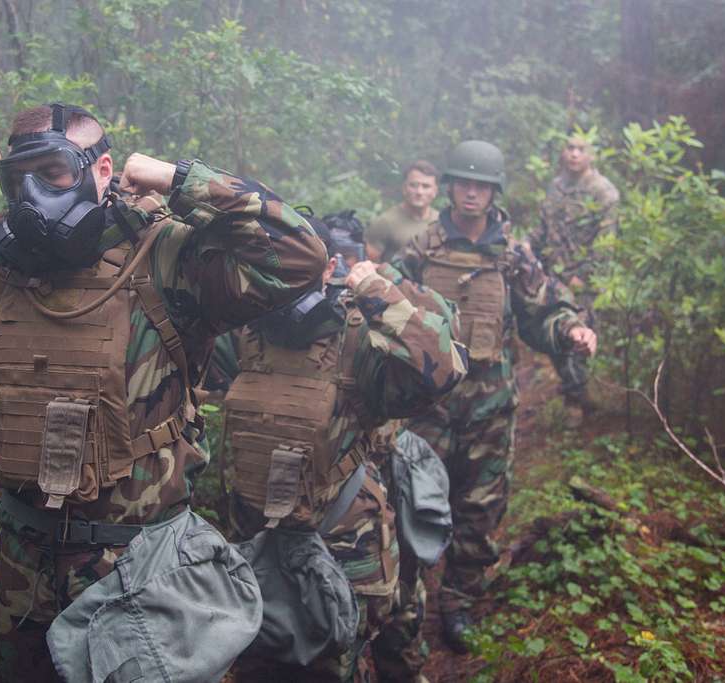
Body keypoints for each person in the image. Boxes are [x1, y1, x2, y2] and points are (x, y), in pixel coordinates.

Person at [0, 103, 327, 681]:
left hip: (138, 570)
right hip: (24, 566)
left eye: (54, 172)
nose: (35, 193)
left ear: (101, 168)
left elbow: (299, 258)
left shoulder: (172, 259)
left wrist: (183, 179)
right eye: (19, 177)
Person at [216, 215, 466, 682]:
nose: (282, 280)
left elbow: (442, 369)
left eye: (296, 266)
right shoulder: (244, 334)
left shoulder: (358, 339)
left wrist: (377, 288)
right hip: (256, 546)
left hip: (341, 551)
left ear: (328, 268)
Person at [393, 140, 597, 654]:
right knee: (413, 503)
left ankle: (458, 603)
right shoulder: (423, 248)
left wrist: (571, 330)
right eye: (463, 182)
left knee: (481, 509)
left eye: (480, 185)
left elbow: (544, 310)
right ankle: (404, 607)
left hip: (490, 405)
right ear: (451, 187)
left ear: (493, 192)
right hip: (428, 405)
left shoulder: (512, 254)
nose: (470, 193)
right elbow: (386, 303)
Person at [531, 134, 619, 427]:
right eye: (570, 148)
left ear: (592, 154)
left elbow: (605, 242)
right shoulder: (555, 188)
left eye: (581, 149)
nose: (574, 154)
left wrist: (585, 276)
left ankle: (575, 404)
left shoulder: (603, 192)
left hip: (584, 283)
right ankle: (578, 394)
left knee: (577, 340)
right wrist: (525, 253)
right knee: (555, 338)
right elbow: (541, 230)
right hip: (553, 279)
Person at [366, 160, 440, 263]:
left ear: (435, 191)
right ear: (404, 188)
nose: (419, 192)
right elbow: (369, 266)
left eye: (426, 186)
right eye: (413, 185)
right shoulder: (385, 222)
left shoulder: (441, 221)